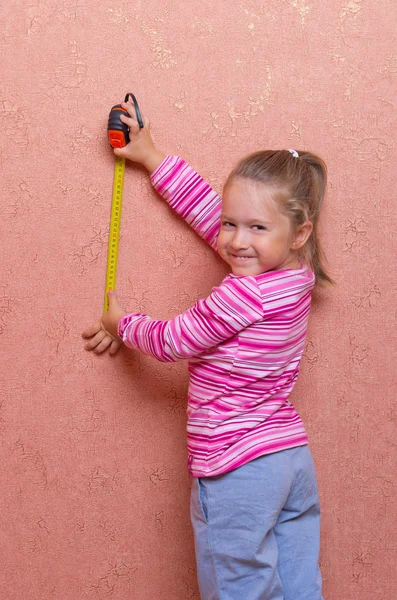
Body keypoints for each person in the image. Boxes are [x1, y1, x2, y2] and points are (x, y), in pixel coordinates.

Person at [82, 98, 332, 599]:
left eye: (256, 228)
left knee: (240, 589)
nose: (236, 240)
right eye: (230, 224)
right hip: (288, 461)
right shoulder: (295, 277)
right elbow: (210, 214)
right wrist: (154, 159)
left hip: (237, 466)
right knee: (300, 585)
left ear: (299, 232)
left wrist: (122, 322)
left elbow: (173, 340)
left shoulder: (243, 294)